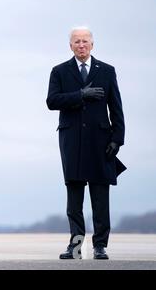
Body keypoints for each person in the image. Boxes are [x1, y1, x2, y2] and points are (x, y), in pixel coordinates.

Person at [46, 27, 126, 260]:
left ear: (92, 44)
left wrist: (117, 139)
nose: (81, 45)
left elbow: (117, 109)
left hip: (101, 142)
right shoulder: (59, 71)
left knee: (100, 196)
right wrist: (81, 94)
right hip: (72, 141)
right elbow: (52, 101)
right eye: (77, 42)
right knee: (75, 196)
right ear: (70, 45)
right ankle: (76, 245)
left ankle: (100, 246)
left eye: (85, 41)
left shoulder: (107, 71)